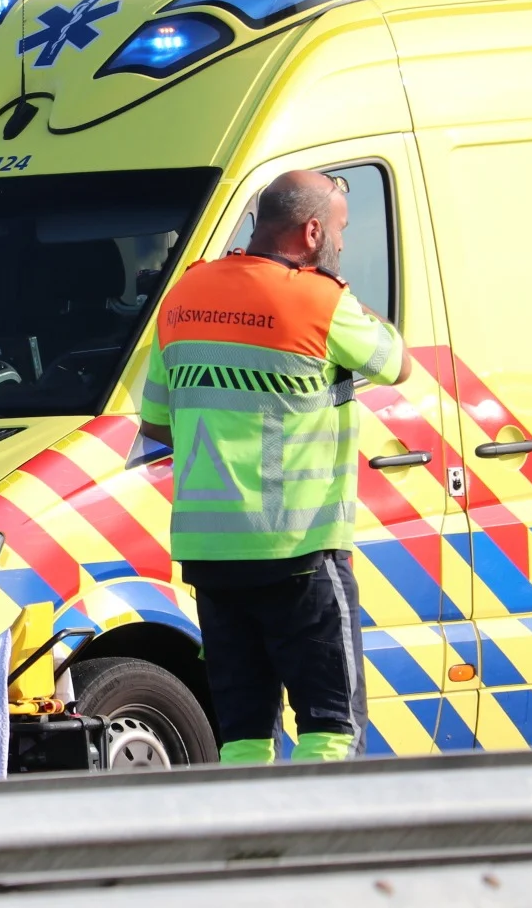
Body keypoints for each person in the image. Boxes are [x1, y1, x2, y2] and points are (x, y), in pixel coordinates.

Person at [141, 169, 410, 765]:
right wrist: (342, 293)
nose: (342, 242)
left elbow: (157, 422)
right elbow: (396, 363)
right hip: (298, 546)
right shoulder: (321, 300)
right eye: (339, 229)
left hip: (212, 556)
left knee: (242, 734)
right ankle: (321, 827)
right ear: (312, 232)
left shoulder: (183, 296)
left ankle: (249, 825)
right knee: (331, 728)